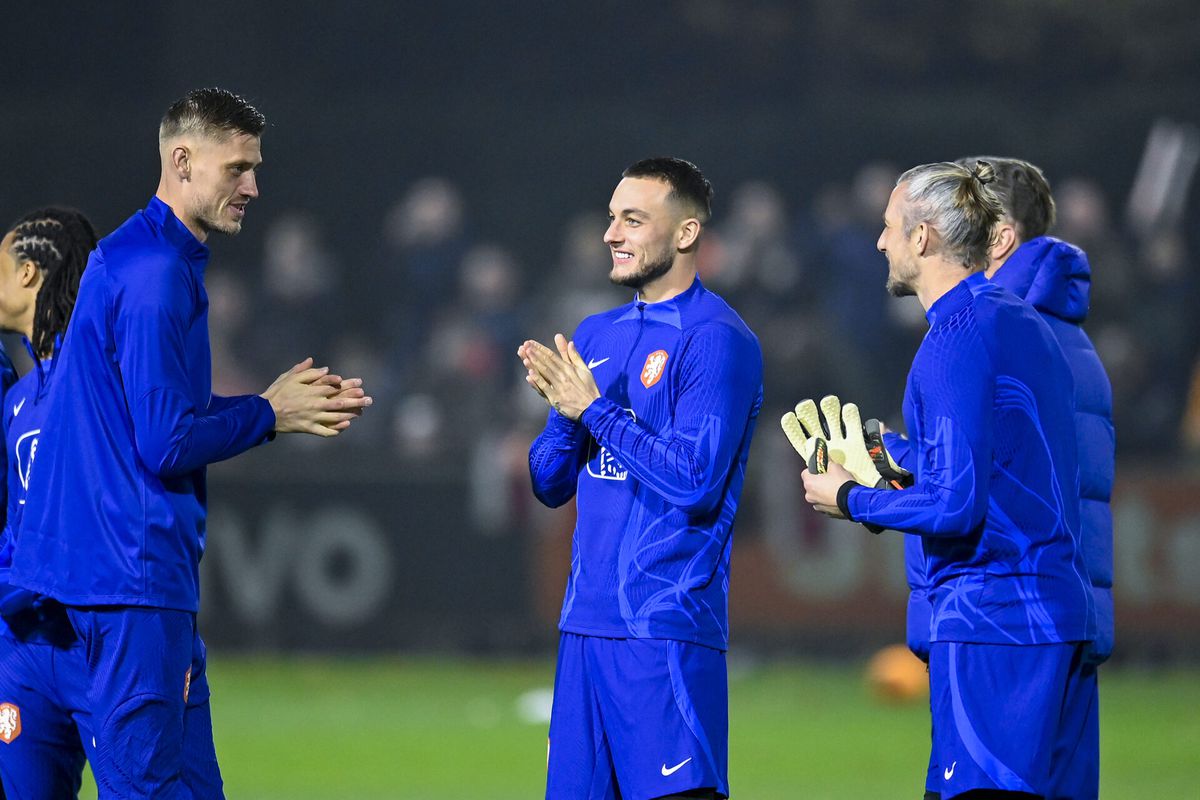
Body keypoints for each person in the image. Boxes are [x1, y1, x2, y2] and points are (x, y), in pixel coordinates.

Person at [7, 88, 371, 797]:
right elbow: (166, 441)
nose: (253, 186)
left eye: (254, 167)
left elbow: (143, 417)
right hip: (129, 587)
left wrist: (263, 408)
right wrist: (267, 412)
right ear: (182, 160)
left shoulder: (127, 254)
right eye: (237, 168)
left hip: (93, 585)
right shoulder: (156, 276)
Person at [801, 161, 1096, 799]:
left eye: (888, 228)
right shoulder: (1018, 320)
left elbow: (957, 506)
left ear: (924, 237)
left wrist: (851, 498)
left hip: (995, 620)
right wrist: (885, 452)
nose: (879, 242)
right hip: (1058, 615)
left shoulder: (952, 339)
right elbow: (1002, 462)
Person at [519, 157, 762, 800]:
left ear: (684, 234)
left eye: (632, 219)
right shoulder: (597, 332)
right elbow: (548, 484)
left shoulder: (717, 339)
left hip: (665, 630)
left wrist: (594, 409)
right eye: (610, 218)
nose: (611, 233)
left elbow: (694, 480)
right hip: (583, 631)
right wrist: (567, 417)